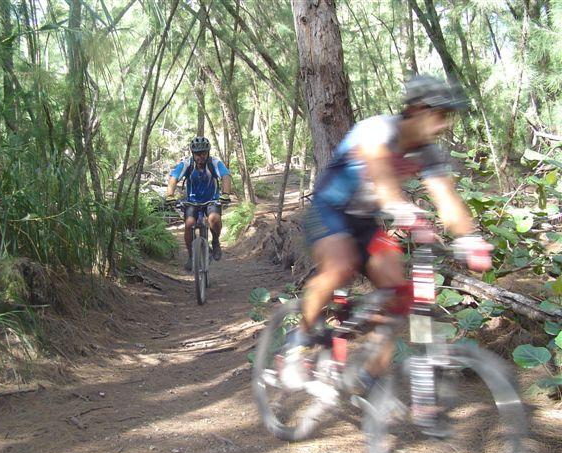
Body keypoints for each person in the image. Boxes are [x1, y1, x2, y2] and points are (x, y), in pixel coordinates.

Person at [281, 75, 493, 393]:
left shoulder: (428, 153)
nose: (445, 125)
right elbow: (380, 173)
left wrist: (469, 238)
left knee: (399, 293)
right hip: (329, 210)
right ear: (417, 109)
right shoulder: (377, 129)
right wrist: (401, 207)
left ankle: (368, 377)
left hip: (365, 222)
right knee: (340, 266)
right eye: (440, 115)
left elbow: (447, 200)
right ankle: (296, 344)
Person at [166, 136, 232, 272]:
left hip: (212, 199)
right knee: (189, 224)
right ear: (193, 153)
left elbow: (225, 176)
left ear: (208, 152)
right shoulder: (187, 164)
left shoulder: (214, 162)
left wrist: (225, 193)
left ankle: (215, 241)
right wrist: (170, 195)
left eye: (203, 153)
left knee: (214, 218)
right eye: (197, 154)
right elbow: (174, 178)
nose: (200, 157)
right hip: (192, 201)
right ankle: (191, 257)